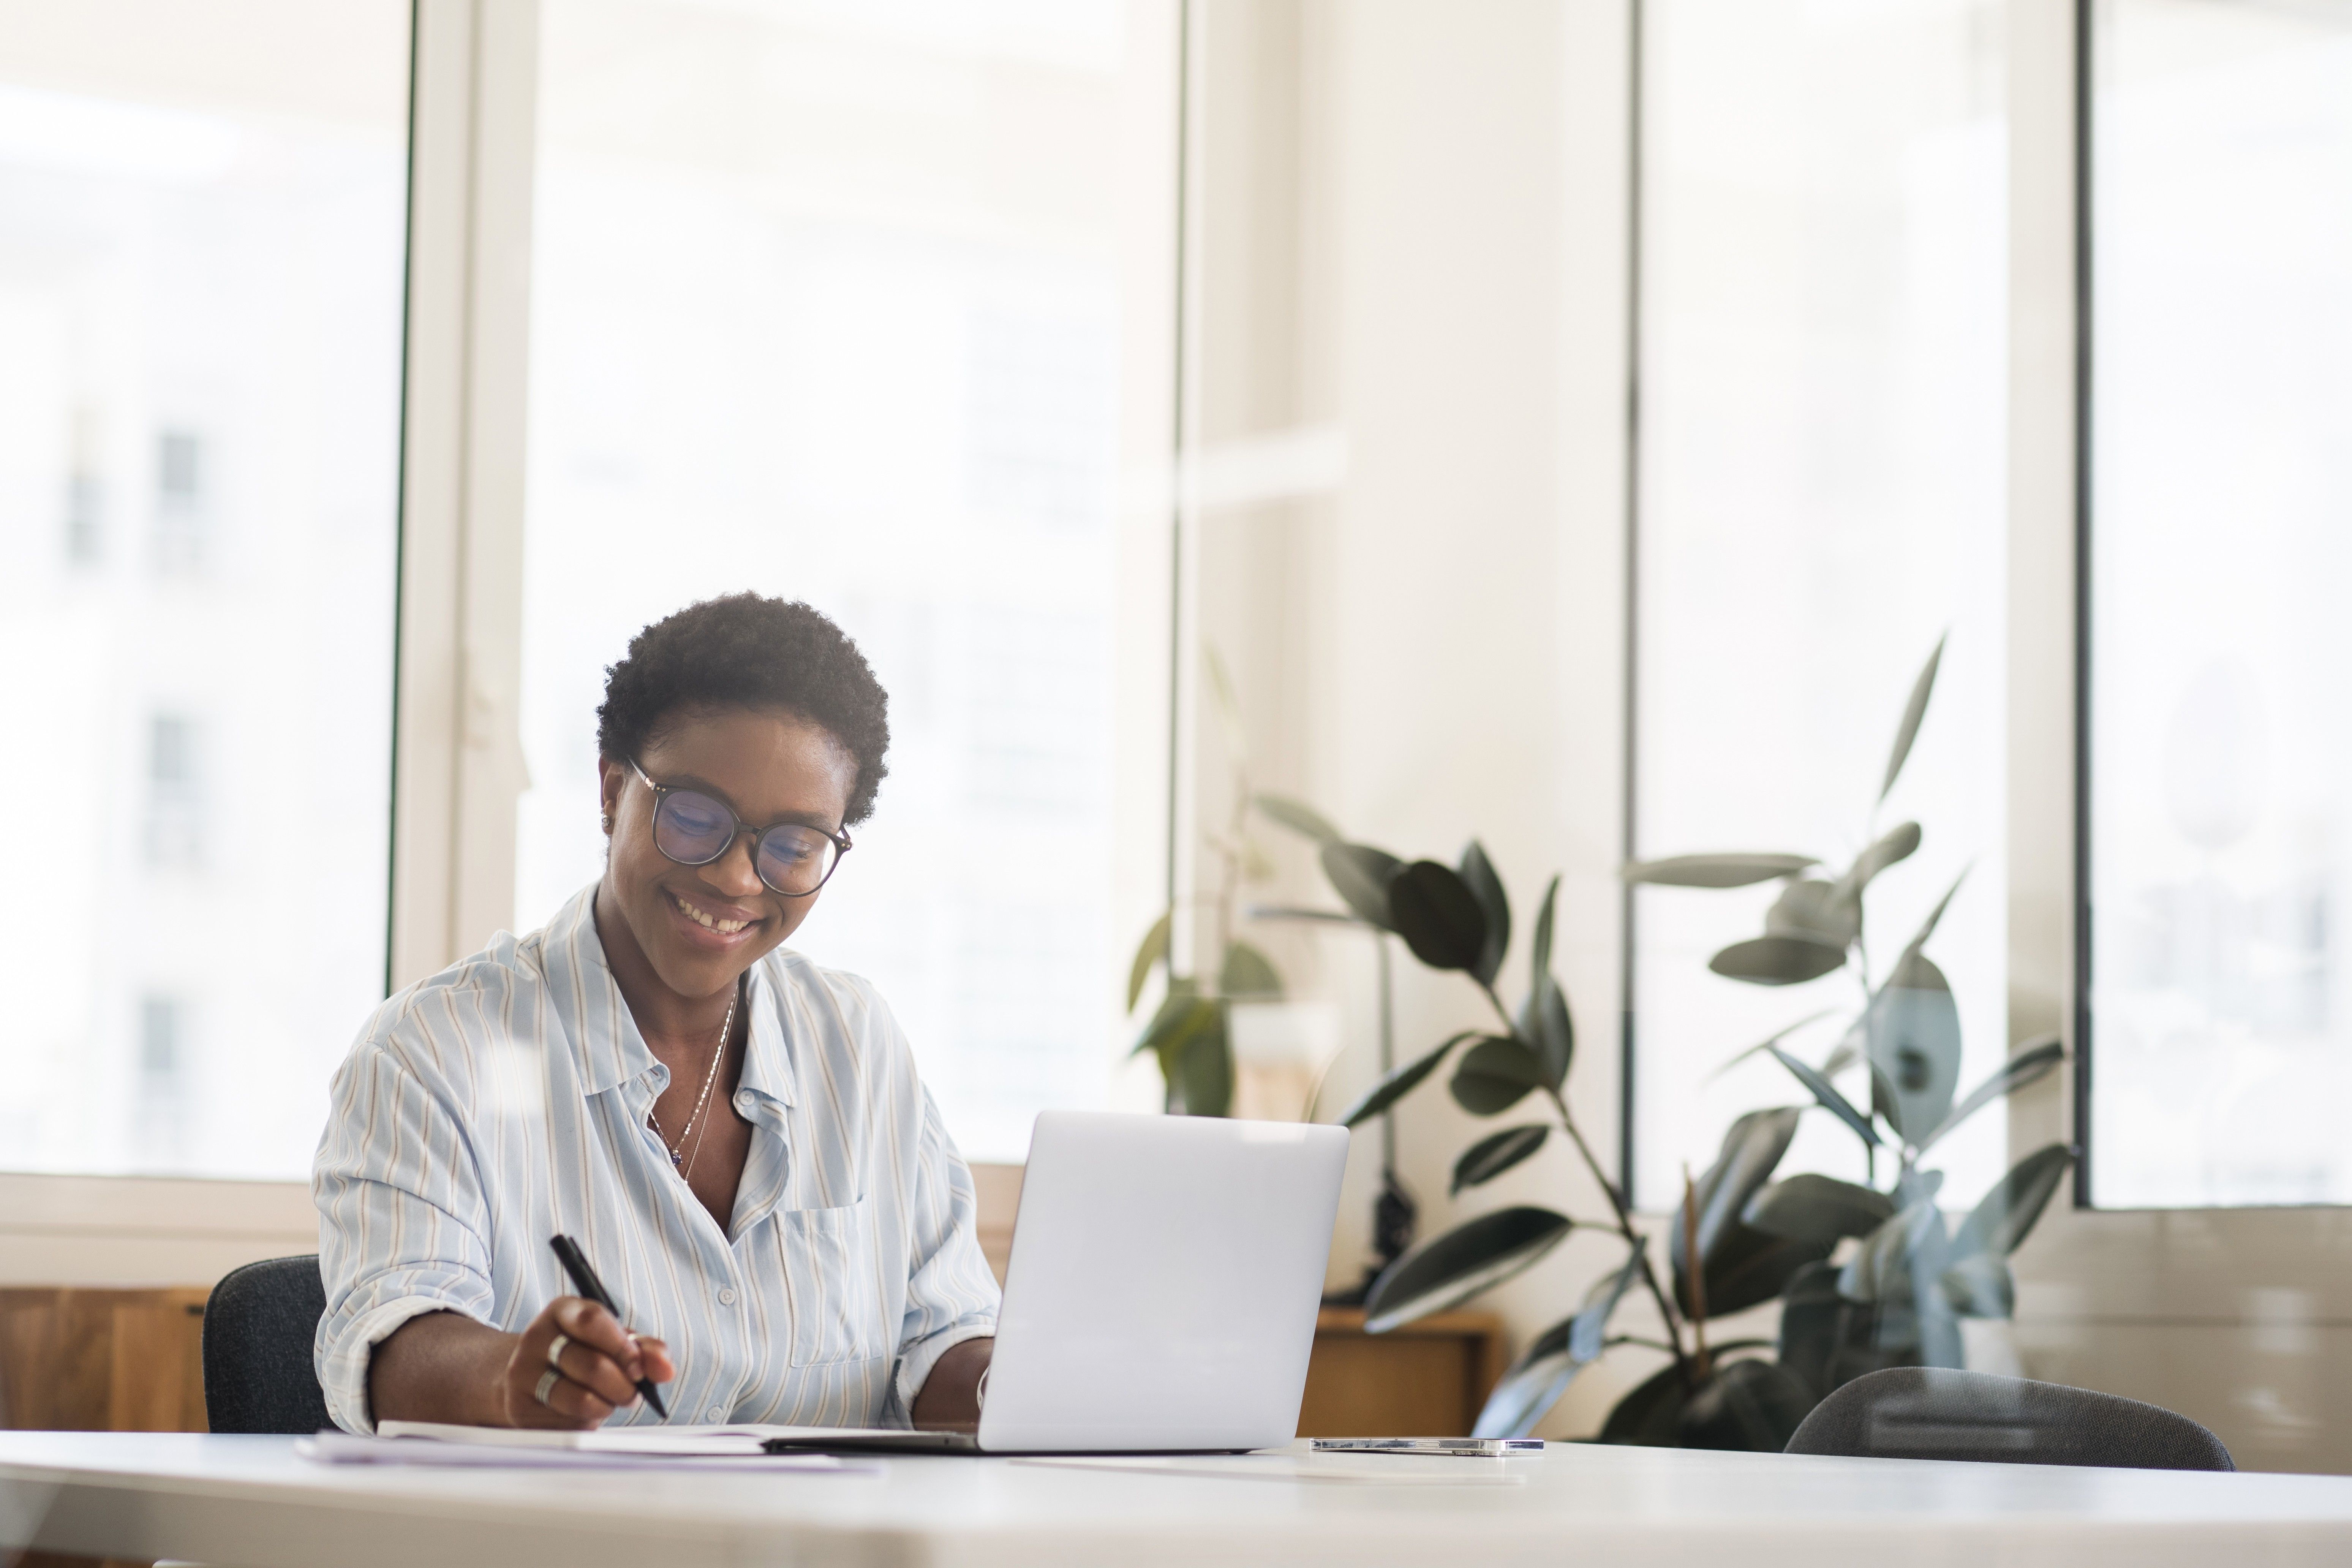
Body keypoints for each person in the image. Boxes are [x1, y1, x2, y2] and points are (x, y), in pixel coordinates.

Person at [313, 593, 998, 1432]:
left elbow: (943, 1339)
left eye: (793, 845)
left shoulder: (858, 1047)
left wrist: (1038, 1379)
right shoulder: (435, 1052)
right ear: (612, 794)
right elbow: (389, 1342)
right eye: (695, 818)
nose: (739, 879)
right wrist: (511, 1381)